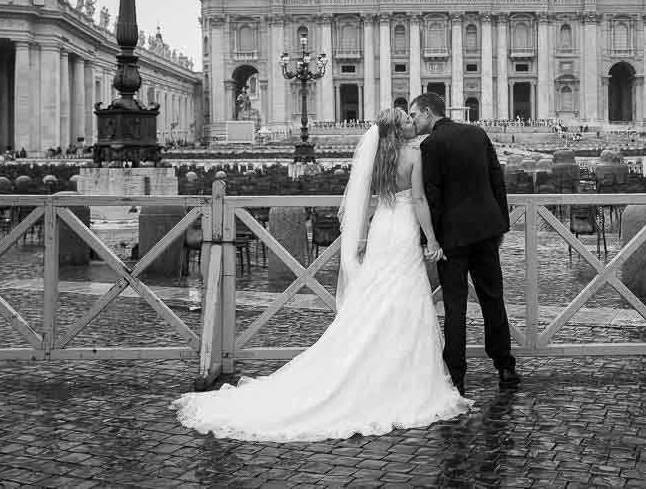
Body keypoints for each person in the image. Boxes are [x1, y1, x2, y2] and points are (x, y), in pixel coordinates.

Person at [172, 108, 470, 442]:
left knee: (376, 297)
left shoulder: (378, 159)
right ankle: (404, 375)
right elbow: (417, 199)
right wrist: (431, 238)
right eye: (406, 120)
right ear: (399, 131)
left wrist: (361, 239)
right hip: (403, 231)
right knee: (404, 297)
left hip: (381, 230)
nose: (411, 123)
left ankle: (369, 359)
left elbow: (370, 203)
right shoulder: (414, 155)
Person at [410, 92, 520, 396]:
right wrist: (501, 225)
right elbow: (497, 179)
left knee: (455, 307)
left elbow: (432, 196)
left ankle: (456, 376)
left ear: (429, 112)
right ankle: (505, 366)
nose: (412, 121)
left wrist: (429, 240)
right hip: (486, 231)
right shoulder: (477, 132)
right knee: (492, 299)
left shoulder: (431, 145)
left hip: (452, 240)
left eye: (415, 115)